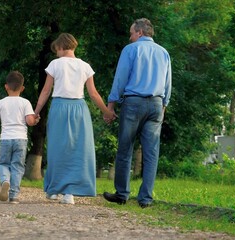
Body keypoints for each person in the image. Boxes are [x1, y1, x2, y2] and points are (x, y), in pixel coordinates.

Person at [34, 33, 115, 204]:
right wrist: (106, 111)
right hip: (79, 108)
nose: (56, 53)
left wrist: (36, 111)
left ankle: (58, 189)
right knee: (77, 150)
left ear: (62, 47)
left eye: (56, 50)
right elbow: (93, 93)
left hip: (59, 107)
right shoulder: (85, 66)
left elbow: (46, 91)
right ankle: (66, 192)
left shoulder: (55, 64)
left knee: (57, 148)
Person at [103, 18, 172, 208]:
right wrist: (163, 106)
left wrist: (111, 105)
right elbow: (168, 83)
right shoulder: (164, 53)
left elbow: (121, 78)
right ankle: (145, 199)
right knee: (151, 153)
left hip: (133, 103)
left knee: (125, 148)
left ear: (140, 32)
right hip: (156, 105)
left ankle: (122, 194)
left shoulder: (130, 50)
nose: (130, 36)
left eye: (132, 33)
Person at [0, 71, 39, 204]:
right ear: (22, 88)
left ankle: (5, 180)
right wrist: (35, 120)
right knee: (17, 166)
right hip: (21, 139)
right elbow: (29, 121)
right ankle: (14, 196)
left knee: (3, 163)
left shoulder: (1, 103)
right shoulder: (25, 102)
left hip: (5, 139)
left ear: (6, 87)